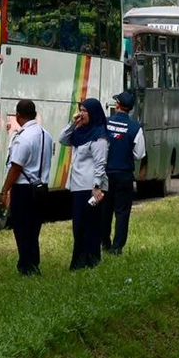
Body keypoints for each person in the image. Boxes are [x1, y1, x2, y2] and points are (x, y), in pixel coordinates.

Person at [0, 99, 52, 276]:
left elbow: (16, 167)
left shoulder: (23, 138)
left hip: (24, 189)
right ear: (35, 114)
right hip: (42, 187)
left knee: (22, 228)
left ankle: (26, 264)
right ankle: (33, 262)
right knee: (34, 229)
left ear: (18, 116)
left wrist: (5, 190)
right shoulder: (46, 135)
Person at [60, 98, 108, 270]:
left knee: (90, 224)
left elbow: (100, 163)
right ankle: (79, 260)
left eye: (85, 111)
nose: (82, 114)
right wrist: (73, 123)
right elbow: (63, 139)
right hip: (77, 186)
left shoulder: (99, 136)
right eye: (80, 110)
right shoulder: (79, 132)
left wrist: (97, 187)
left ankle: (91, 259)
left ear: (93, 113)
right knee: (78, 225)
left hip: (90, 188)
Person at [101, 91, 146, 256]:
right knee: (122, 212)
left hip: (106, 173)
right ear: (130, 109)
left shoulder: (105, 123)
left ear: (118, 105)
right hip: (125, 174)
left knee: (105, 210)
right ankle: (117, 247)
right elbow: (139, 154)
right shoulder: (135, 127)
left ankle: (104, 242)